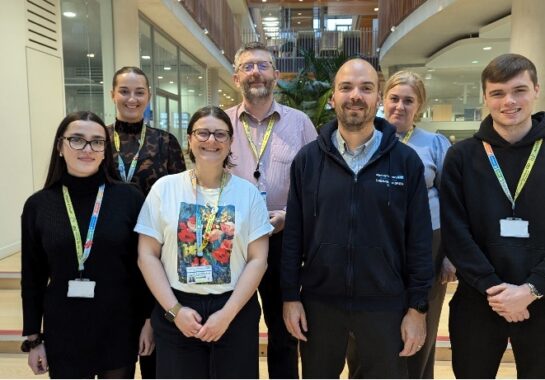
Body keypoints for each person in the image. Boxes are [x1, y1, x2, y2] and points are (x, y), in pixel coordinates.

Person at [281, 58, 433, 378]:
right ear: (333, 96)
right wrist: (290, 297)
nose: (355, 95)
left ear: (378, 98)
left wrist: (417, 307)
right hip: (320, 307)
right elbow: (293, 235)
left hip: (385, 306)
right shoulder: (307, 160)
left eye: (366, 88)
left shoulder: (405, 162)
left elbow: (419, 241)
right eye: (346, 87)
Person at [136, 106, 273, 379]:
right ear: (189, 139)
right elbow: (147, 255)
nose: (211, 140)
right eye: (203, 133)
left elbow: (258, 259)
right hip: (177, 306)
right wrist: (175, 311)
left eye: (220, 134)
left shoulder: (248, 193)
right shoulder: (165, 189)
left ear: (231, 142)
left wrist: (227, 314)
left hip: (234, 308)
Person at [21, 111, 151, 378]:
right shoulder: (39, 205)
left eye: (97, 142)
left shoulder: (129, 198)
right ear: (60, 146)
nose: (88, 149)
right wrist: (34, 339)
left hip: (118, 325)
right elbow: (32, 278)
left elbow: (144, 269)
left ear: (105, 150)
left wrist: (149, 321)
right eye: (77, 140)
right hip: (64, 329)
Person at [441, 53, 545, 378]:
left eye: (519, 90)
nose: (508, 101)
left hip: (541, 297)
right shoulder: (461, 156)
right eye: (497, 93)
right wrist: (496, 290)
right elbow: (455, 232)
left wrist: (530, 290)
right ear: (485, 96)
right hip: (478, 299)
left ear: (536, 90)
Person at [346, 70, 456, 378]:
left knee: (421, 325)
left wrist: (449, 254)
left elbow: (452, 203)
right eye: (394, 98)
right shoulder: (367, 140)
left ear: (419, 106)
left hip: (428, 247)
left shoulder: (434, 144)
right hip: (376, 245)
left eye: (409, 100)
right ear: (382, 100)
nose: (400, 106)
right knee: (369, 328)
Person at [225, 41, 317, 378]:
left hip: (284, 240)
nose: (256, 73)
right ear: (236, 77)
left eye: (263, 66)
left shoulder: (300, 123)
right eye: (248, 66)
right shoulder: (222, 123)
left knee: (284, 330)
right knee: (237, 327)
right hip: (233, 242)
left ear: (276, 75)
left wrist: (289, 217)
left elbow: (315, 184)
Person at [108, 66, 186, 378]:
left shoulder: (166, 142)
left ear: (148, 96)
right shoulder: (98, 139)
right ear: (112, 94)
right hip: (110, 254)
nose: (132, 98)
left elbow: (182, 202)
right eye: (124, 91)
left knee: (156, 354)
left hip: (158, 255)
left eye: (139, 92)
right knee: (118, 352)